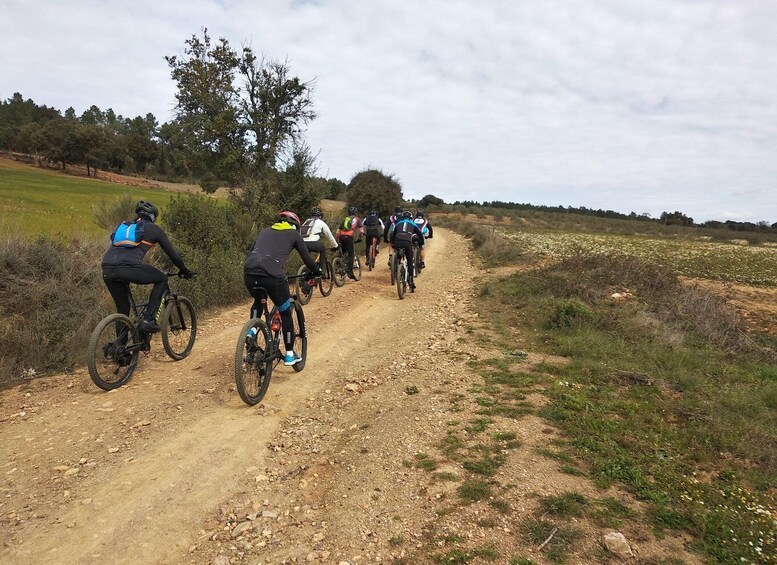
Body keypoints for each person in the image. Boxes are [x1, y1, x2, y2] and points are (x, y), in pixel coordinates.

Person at [244, 211, 323, 365]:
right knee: (285, 312)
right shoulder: (294, 234)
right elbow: (307, 259)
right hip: (272, 276)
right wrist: (317, 271)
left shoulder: (264, 231)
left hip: (249, 272)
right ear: (296, 226)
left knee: (259, 298)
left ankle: (252, 330)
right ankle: (289, 354)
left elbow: (250, 252)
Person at [102, 200, 193, 334]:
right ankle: (148, 320)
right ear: (153, 217)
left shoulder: (123, 227)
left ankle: (120, 350)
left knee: (123, 309)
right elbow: (174, 256)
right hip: (129, 267)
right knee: (161, 278)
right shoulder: (153, 229)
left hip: (107, 268)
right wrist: (184, 270)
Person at [390, 210, 425, 292]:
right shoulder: (413, 224)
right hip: (407, 242)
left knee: (398, 255)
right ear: (411, 218)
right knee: (409, 262)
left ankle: (397, 269)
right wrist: (421, 243)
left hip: (397, 242)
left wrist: (392, 243)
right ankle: (411, 282)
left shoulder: (398, 223)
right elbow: (419, 234)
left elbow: (393, 234)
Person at [336, 206, 360, 279]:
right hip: (349, 237)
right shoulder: (357, 219)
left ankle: (339, 266)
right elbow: (362, 231)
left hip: (341, 237)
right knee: (351, 254)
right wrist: (360, 238)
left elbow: (338, 231)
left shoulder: (345, 219)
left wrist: (337, 240)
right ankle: (350, 272)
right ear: (355, 213)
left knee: (343, 253)